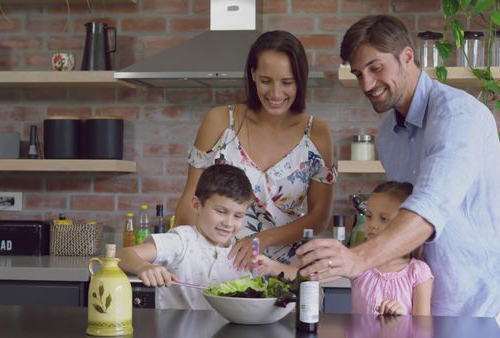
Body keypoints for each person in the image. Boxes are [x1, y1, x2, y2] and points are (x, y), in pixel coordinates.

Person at [295, 15, 500, 338]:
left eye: (376, 68)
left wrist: (358, 258)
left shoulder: (457, 116)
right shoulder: (388, 136)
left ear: (407, 57)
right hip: (434, 303)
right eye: (358, 73)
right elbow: (402, 220)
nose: (366, 84)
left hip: (485, 299)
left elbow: (429, 207)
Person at [175, 30, 336, 271]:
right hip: (219, 265)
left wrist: (261, 239)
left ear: (300, 80)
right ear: (253, 75)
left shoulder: (316, 133)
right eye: (266, 80)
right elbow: (191, 201)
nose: (276, 93)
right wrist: (185, 257)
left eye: (287, 82)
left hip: (286, 272)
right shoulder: (220, 122)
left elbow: (320, 216)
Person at [254, 181, 433, 317]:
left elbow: (423, 328)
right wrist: (272, 266)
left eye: (384, 219)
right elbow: (309, 274)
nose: (372, 225)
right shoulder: (357, 264)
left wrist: (401, 318)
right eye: (369, 216)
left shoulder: (418, 272)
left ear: (405, 226)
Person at [118, 164, 253, 309]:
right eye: (221, 211)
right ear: (196, 205)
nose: (228, 223)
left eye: (238, 216)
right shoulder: (180, 241)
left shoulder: (241, 252)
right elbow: (121, 255)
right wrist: (143, 266)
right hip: (177, 331)